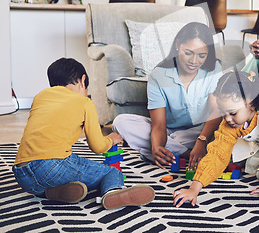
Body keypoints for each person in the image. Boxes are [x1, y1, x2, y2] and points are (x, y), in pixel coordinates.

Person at [12, 58, 155, 209]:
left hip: (22, 175)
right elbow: (97, 147)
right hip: (51, 166)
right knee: (111, 173)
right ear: (83, 80)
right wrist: (110, 140)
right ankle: (113, 191)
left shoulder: (40, 97)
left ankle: (52, 192)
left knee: (57, 171)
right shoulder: (84, 102)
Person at [172, 70, 259, 207]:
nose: (227, 119)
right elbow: (217, 153)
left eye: (232, 113)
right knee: (233, 159)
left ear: (252, 103)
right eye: (223, 113)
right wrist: (193, 189)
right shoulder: (230, 119)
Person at [113, 22, 223, 171]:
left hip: (200, 131)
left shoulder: (214, 69)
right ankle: (186, 154)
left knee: (226, 127)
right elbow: (159, 125)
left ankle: (166, 151)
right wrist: (158, 146)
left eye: (201, 55)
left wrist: (201, 141)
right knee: (121, 122)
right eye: (188, 52)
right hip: (168, 131)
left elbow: (215, 112)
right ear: (178, 44)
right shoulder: (158, 75)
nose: (194, 61)